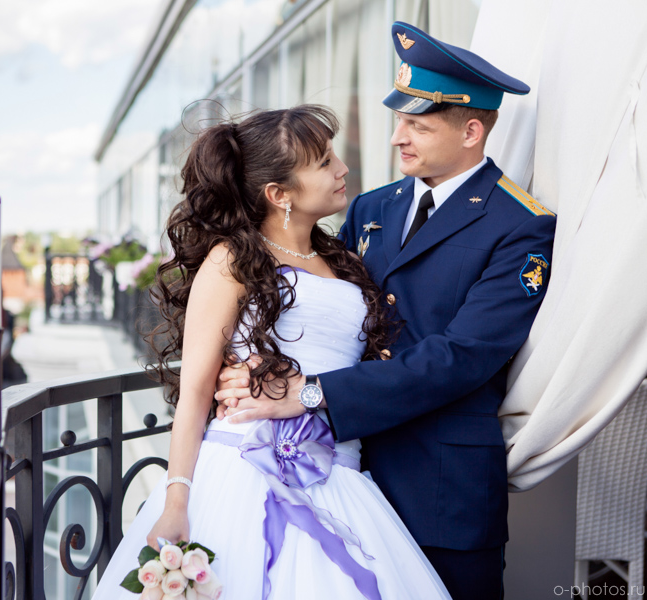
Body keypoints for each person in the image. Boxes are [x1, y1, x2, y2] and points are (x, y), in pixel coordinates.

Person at [214, 22, 557, 600]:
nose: (397, 137)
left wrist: (315, 393)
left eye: (417, 125)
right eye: (398, 120)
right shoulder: (373, 206)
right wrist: (253, 365)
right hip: (337, 473)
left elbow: (464, 356)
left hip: (439, 489)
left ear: (472, 130)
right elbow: (319, 301)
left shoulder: (519, 225)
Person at [90, 105, 450, 599]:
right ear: (279, 194)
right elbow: (195, 392)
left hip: (339, 471)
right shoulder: (232, 259)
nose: (343, 169)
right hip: (242, 470)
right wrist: (177, 500)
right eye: (323, 162)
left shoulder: (342, 259)